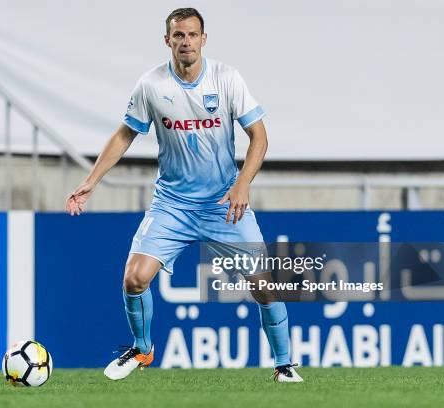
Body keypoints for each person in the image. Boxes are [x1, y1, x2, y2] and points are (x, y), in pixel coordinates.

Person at [65, 7, 302, 383]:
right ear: (167, 41)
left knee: (264, 285)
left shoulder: (226, 78)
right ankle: (142, 350)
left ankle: (284, 365)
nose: (186, 42)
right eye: (179, 36)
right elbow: (125, 133)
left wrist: (243, 184)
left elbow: (260, 136)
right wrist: (92, 180)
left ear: (203, 39)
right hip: (172, 205)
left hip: (223, 203)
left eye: (193, 35)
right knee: (134, 278)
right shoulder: (152, 85)